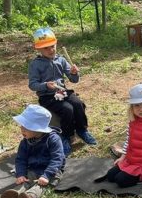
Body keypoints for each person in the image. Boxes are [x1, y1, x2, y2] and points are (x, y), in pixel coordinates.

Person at [28, 27, 97, 156]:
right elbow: (33, 85)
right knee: (67, 109)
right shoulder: (35, 64)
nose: (50, 50)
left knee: (78, 104)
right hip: (47, 97)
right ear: (37, 48)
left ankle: (82, 130)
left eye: (52, 46)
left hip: (62, 92)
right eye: (45, 48)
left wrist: (74, 73)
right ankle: (66, 136)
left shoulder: (61, 60)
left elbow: (73, 80)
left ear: (56, 44)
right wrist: (46, 85)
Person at [0, 105, 65, 198]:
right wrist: (21, 174)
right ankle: (11, 197)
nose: (22, 129)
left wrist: (46, 175)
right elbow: (21, 159)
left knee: (40, 186)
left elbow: (57, 159)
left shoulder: (53, 139)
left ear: (37, 128)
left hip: (51, 171)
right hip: (33, 169)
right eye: (21, 126)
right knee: (25, 182)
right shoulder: (25, 142)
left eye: (26, 127)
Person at [96, 84, 142, 187]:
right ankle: (128, 170)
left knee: (120, 180)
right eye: (137, 105)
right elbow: (128, 142)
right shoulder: (133, 123)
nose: (141, 109)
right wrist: (123, 158)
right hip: (131, 161)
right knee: (110, 176)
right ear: (131, 107)